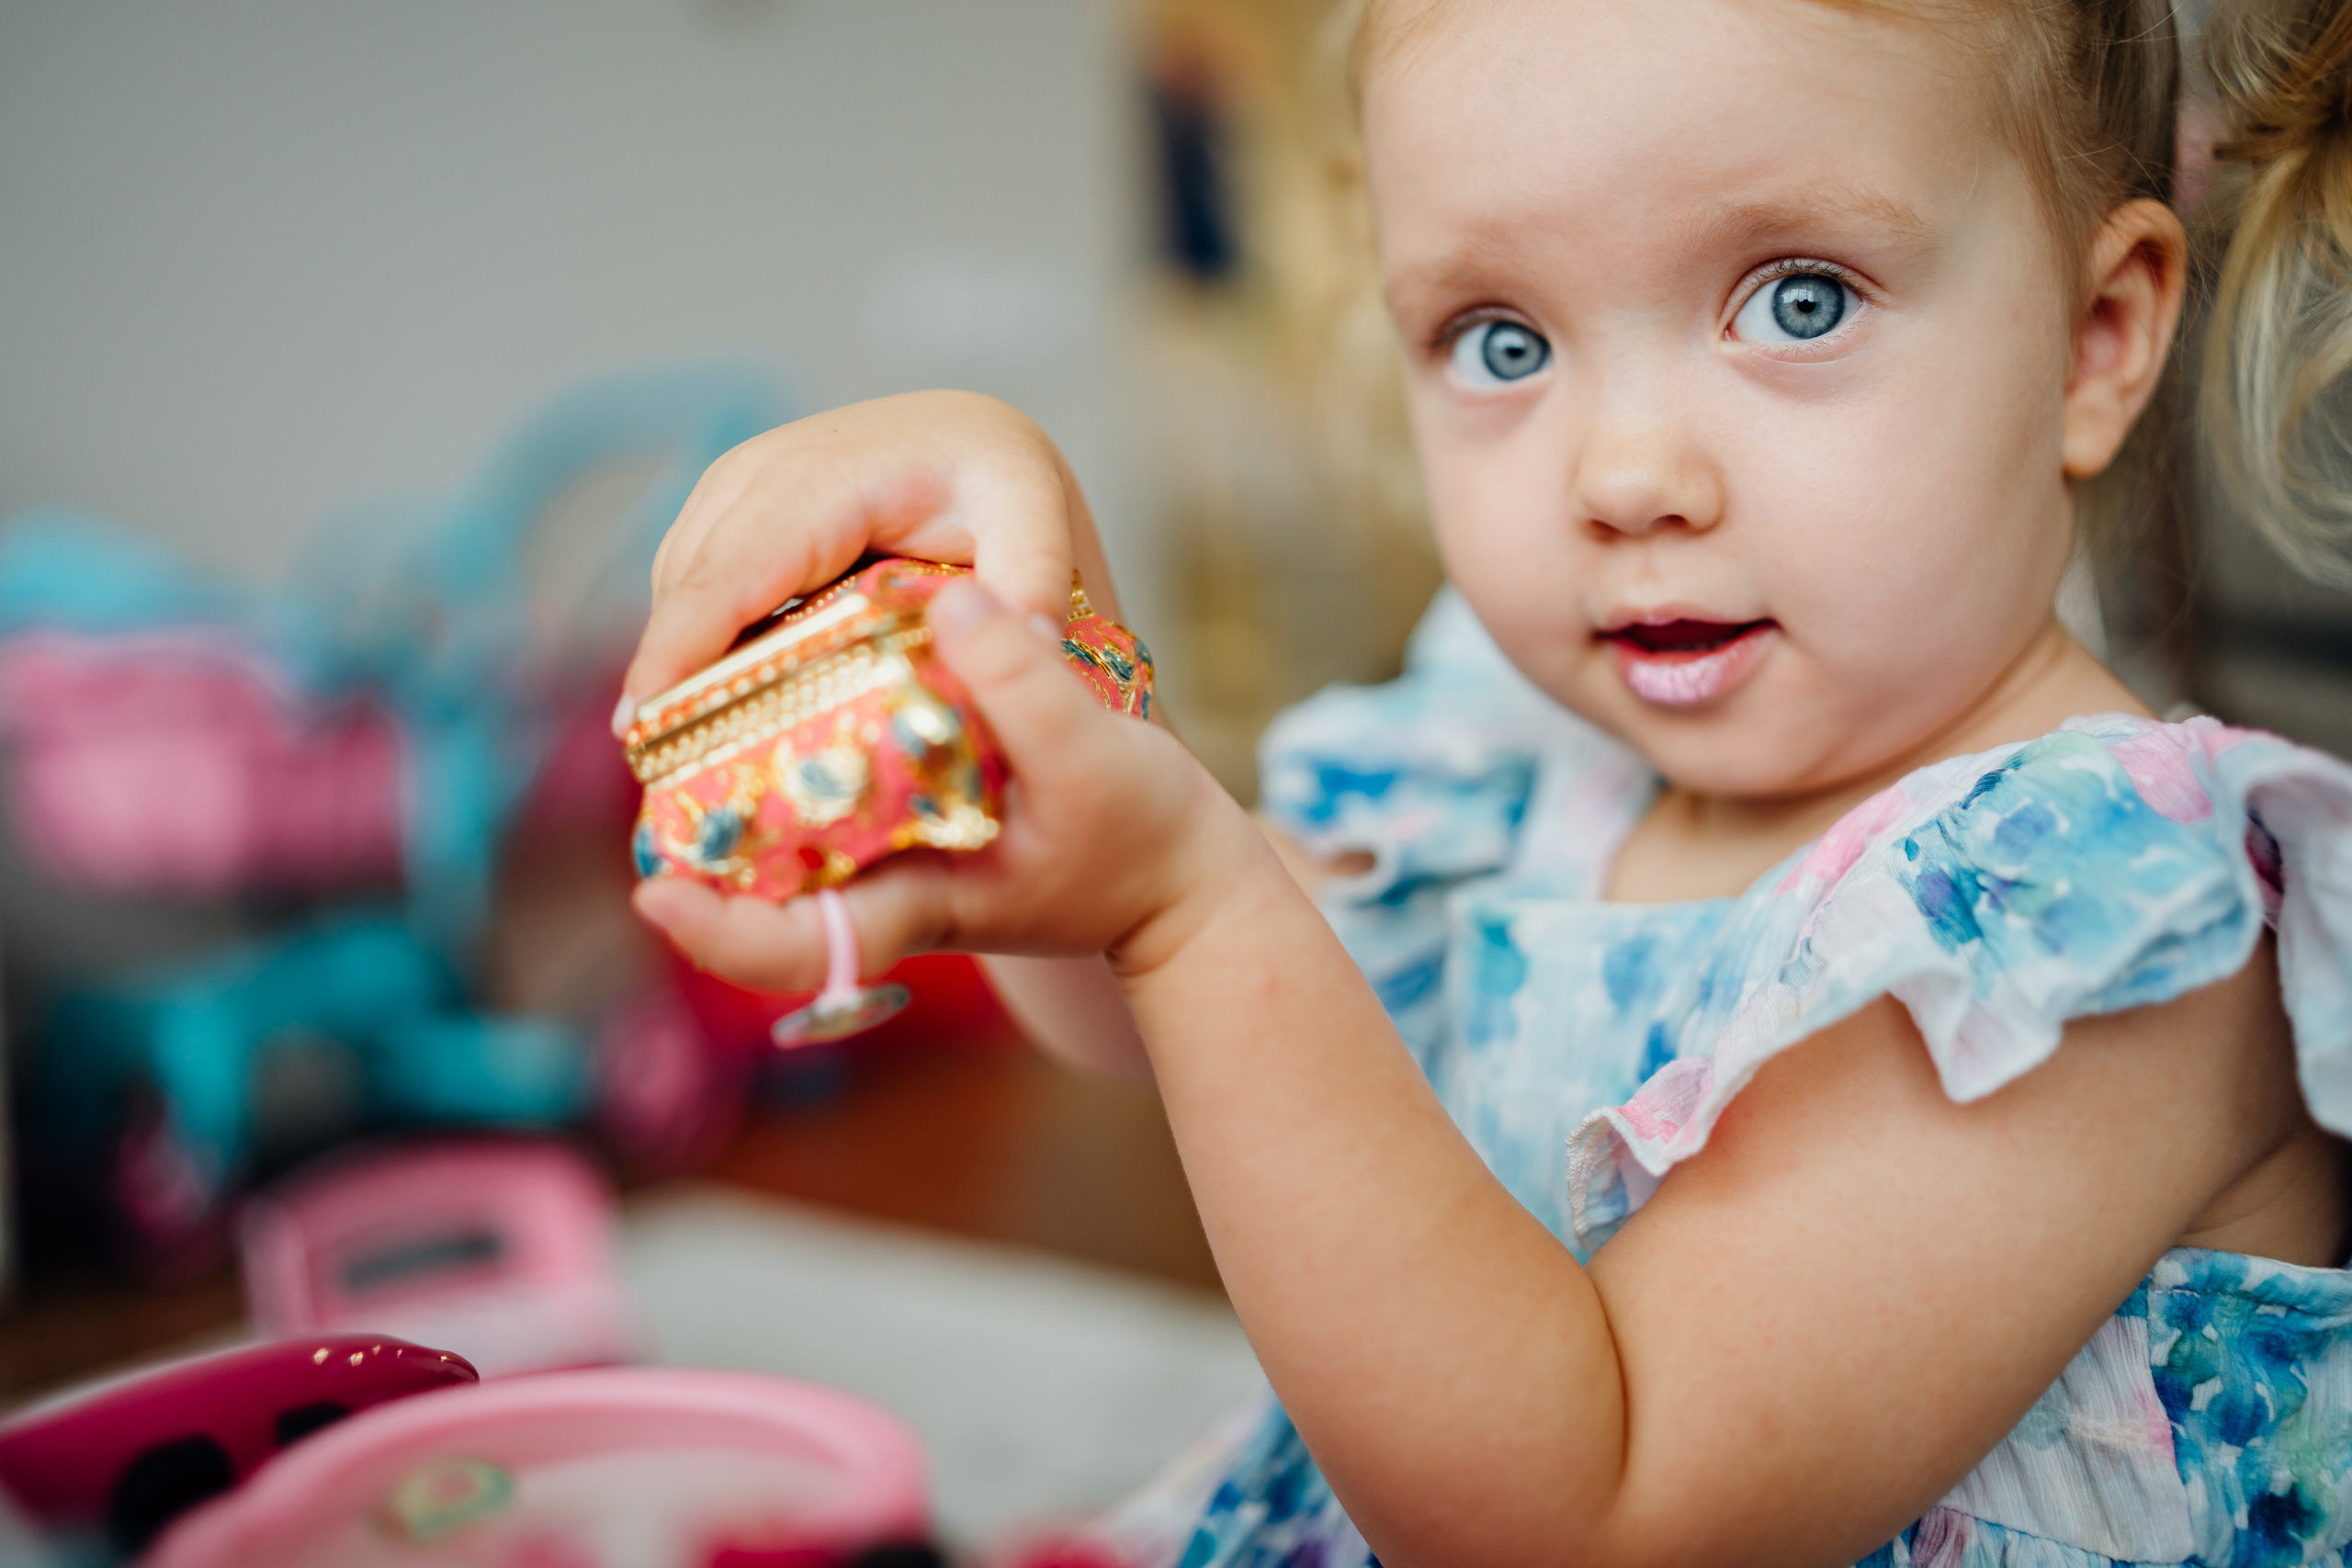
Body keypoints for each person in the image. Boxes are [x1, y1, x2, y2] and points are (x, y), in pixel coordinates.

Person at [616, 0, 2352, 1560]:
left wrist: (1186, 905)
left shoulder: (2111, 916)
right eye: (1503, 342)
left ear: (2097, 336)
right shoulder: (1528, 758)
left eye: (1797, 300)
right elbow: (1149, 1018)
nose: (1626, 473)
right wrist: (1026, 652)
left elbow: (1598, 1512)